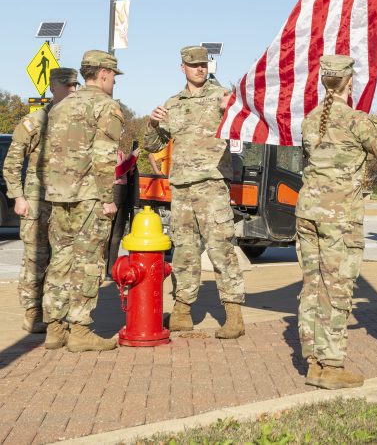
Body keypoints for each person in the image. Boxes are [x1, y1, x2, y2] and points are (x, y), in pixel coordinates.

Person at [294, 55, 377, 389]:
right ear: (350, 83)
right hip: (339, 218)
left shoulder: (309, 121)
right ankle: (331, 365)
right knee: (337, 287)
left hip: (307, 211)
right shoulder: (357, 121)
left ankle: (314, 362)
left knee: (312, 286)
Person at [142, 46, 245, 339]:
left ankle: (234, 313)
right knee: (184, 250)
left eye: (203, 64)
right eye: (193, 65)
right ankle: (182, 310)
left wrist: (234, 107)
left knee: (221, 248)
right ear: (182, 68)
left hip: (212, 184)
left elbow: (244, 124)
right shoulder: (172, 104)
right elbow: (152, 144)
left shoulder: (222, 97)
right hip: (182, 187)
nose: (199, 69)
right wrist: (151, 122)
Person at [41, 51, 125, 351]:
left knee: (60, 260)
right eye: (114, 75)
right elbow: (104, 156)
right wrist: (107, 198)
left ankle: (54, 328)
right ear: (102, 73)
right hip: (89, 196)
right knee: (89, 262)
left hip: (59, 194)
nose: (115, 81)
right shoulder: (106, 106)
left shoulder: (60, 107)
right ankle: (80, 331)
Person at [2, 67, 79, 334]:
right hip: (36, 199)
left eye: (75, 86)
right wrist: (18, 196)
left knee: (62, 259)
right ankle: (33, 311)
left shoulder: (75, 122)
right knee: (36, 257)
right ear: (53, 87)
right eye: (67, 85)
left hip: (65, 201)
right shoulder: (34, 121)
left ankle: (56, 313)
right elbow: (12, 162)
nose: (72, 90)